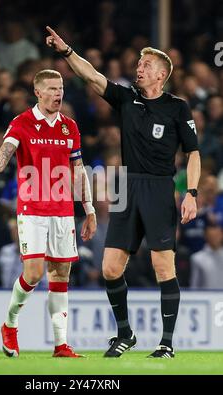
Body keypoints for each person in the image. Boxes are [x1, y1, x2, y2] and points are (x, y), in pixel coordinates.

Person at [46, 26, 201, 358]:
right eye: (139, 64)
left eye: (145, 65)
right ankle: (125, 334)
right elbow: (93, 77)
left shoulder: (178, 108)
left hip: (160, 187)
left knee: (163, 267)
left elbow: (194, 153)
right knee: (111, 268)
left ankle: (166, 343)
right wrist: (67, 51)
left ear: (161, 74)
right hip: (125, 186)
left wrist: (191, 192)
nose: (138, 68)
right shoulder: (127, 98)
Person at [0, 69, 97, 358]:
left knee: (60, 275)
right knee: (33, 274)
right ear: (38, 92)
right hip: (32, 208)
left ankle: (61, 344)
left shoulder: (69, 127)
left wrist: (89, 208)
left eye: (61, 89)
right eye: (52, 89)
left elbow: (78, 171)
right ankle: (10, 324)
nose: (58, 94)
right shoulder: (21, 123)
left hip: (62, 210)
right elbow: (1, 159)